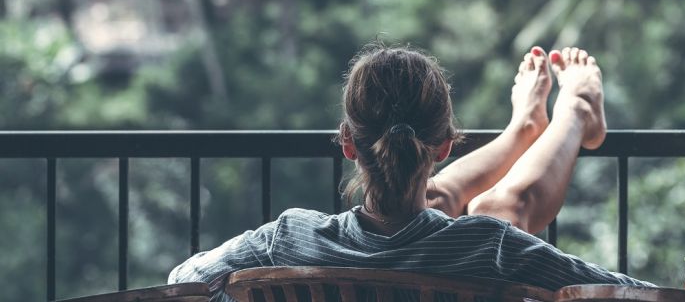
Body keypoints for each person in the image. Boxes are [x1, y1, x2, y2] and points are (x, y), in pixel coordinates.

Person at [168, 44, 653, 301]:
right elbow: (625, 295)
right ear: (444, 145)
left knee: (465, 212)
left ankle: (527, 127)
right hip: (462, 243)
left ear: (347, 144)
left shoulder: (286, 240)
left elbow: (184, 280)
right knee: (493, 211)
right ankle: (569, 110)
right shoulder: (493, 248)